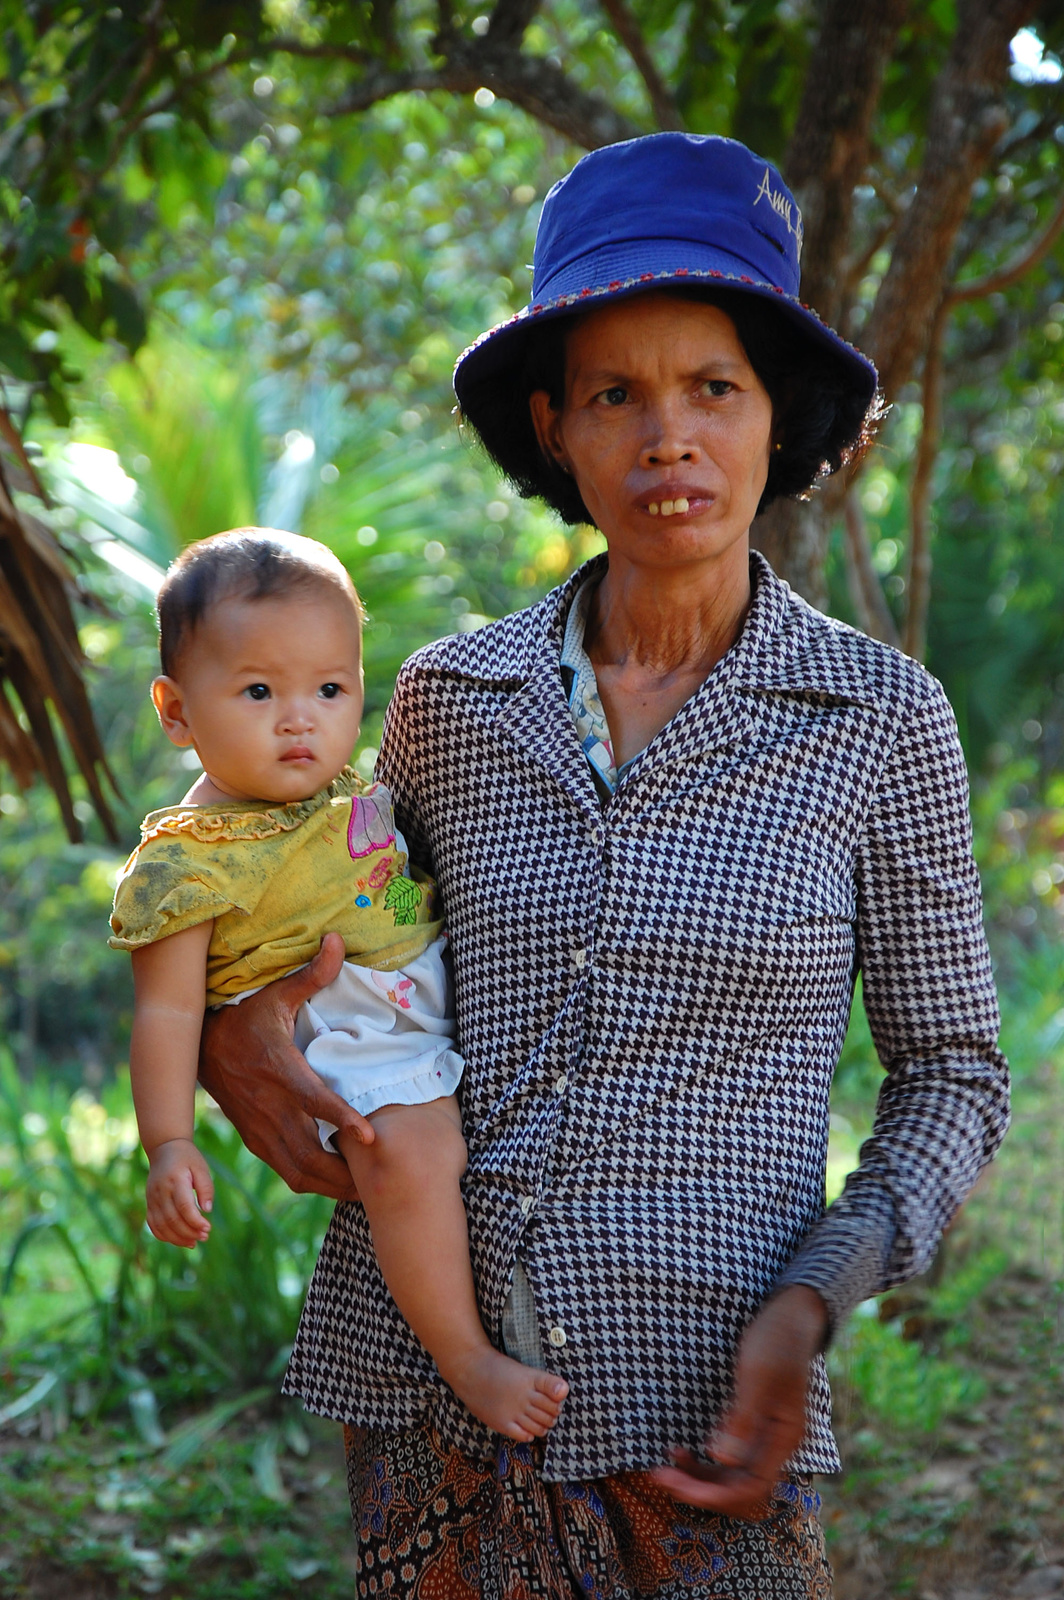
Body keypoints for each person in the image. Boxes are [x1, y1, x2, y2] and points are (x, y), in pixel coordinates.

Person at [200, 135, 1009, 1597]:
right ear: (554, 429)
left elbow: (955, 1073)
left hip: (709, 1389)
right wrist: (222, 1033)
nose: (668, 439)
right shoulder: (452, 701)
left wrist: (818, 1294)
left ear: (782, 421)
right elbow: (334, 932)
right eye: (614, 395)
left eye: (715, 388)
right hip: (428, 1383)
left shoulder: (881, 722)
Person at [108, 528, 568, 1443]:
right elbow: (166, 1015)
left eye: (330, 689)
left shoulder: (342, 787)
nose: (300, 718)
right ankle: (464, 1356)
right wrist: (168, 1144)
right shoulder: (185, 863)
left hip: (434, 996)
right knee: (408, 1161)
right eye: (257, 691)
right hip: (351, 1039)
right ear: (175, 710)